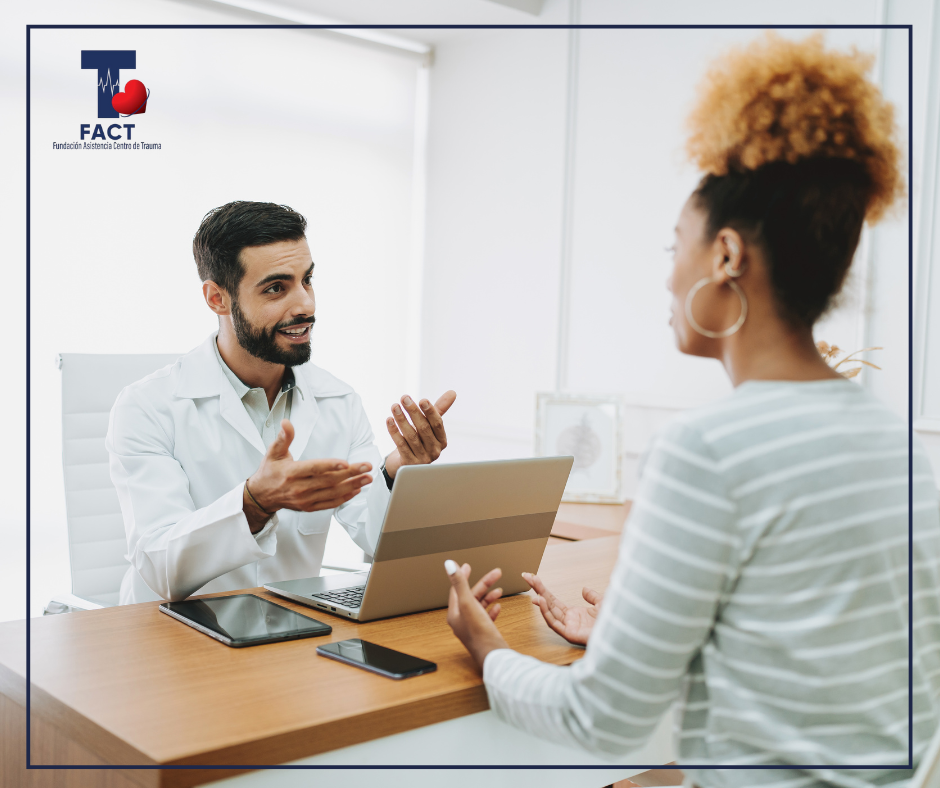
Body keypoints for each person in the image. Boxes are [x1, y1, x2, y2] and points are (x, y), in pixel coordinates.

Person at [444, 33, 940, 786]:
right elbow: (827, 666)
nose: (668, 277)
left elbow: (603, 720)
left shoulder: (709, 450)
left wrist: (489, 650)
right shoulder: (898, 446)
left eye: (675, 246)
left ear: (727, 257)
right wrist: (626, 636)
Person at [107, 201, 455, 604]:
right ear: (217, 298)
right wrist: (255, 502)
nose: (305, 304)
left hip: (290, 631)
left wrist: (398, 470)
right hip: (174, 640)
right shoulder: (147, 407)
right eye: (276, 288)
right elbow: (159, 568)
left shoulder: (338, 401)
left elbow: (376, 537)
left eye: (307, 280)